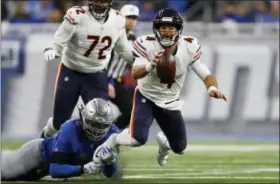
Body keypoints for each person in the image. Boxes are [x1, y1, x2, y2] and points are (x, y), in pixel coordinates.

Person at [95, 9, 227, 167]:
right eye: (163, 28)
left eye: (171, 28)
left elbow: (206, 74)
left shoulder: (189, 46)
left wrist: (211, 88)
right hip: (146, 96)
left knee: (180, 148)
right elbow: (136, 73)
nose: (166, 32)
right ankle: (112, 142)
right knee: (136, 139)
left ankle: (164, 144)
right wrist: (151, 65)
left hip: (170, 101)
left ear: (178, 30)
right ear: (156, 29)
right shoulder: (146, 43)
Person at [41, 0, 134, 138]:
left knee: (99, 121)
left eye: (103, 1)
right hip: (71, 71)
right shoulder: (77, 15)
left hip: (96, 74)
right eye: (97, 0)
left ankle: (94, 155)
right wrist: (52, 48)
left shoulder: (118, 19)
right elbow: (59, 40)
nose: (100, 4)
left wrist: (139, 61)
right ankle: (44, 139)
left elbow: (123, 49)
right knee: (59, 122)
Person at [2, 98, 119, 181]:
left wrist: (110, 161)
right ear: (84, 118)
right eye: (93, 124)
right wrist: (83, 169)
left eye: (102, 125)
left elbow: (109, 174)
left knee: (17, 178)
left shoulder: (112, 134)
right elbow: (55, 169)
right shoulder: (70, 129)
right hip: (36, 155)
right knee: (3, 172)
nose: (97, 130)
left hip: (44, 169)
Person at [107, 4, 139, 130]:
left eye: (134, 18)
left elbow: (132, 62)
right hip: (100, 79)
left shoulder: (133, 39)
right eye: (129, 17)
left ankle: (109, 135)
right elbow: (98, 59)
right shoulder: (110, 35)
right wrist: (106, 81)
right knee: (96, 112)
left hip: (117, 81)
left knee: (131, 110)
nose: (132, 21)